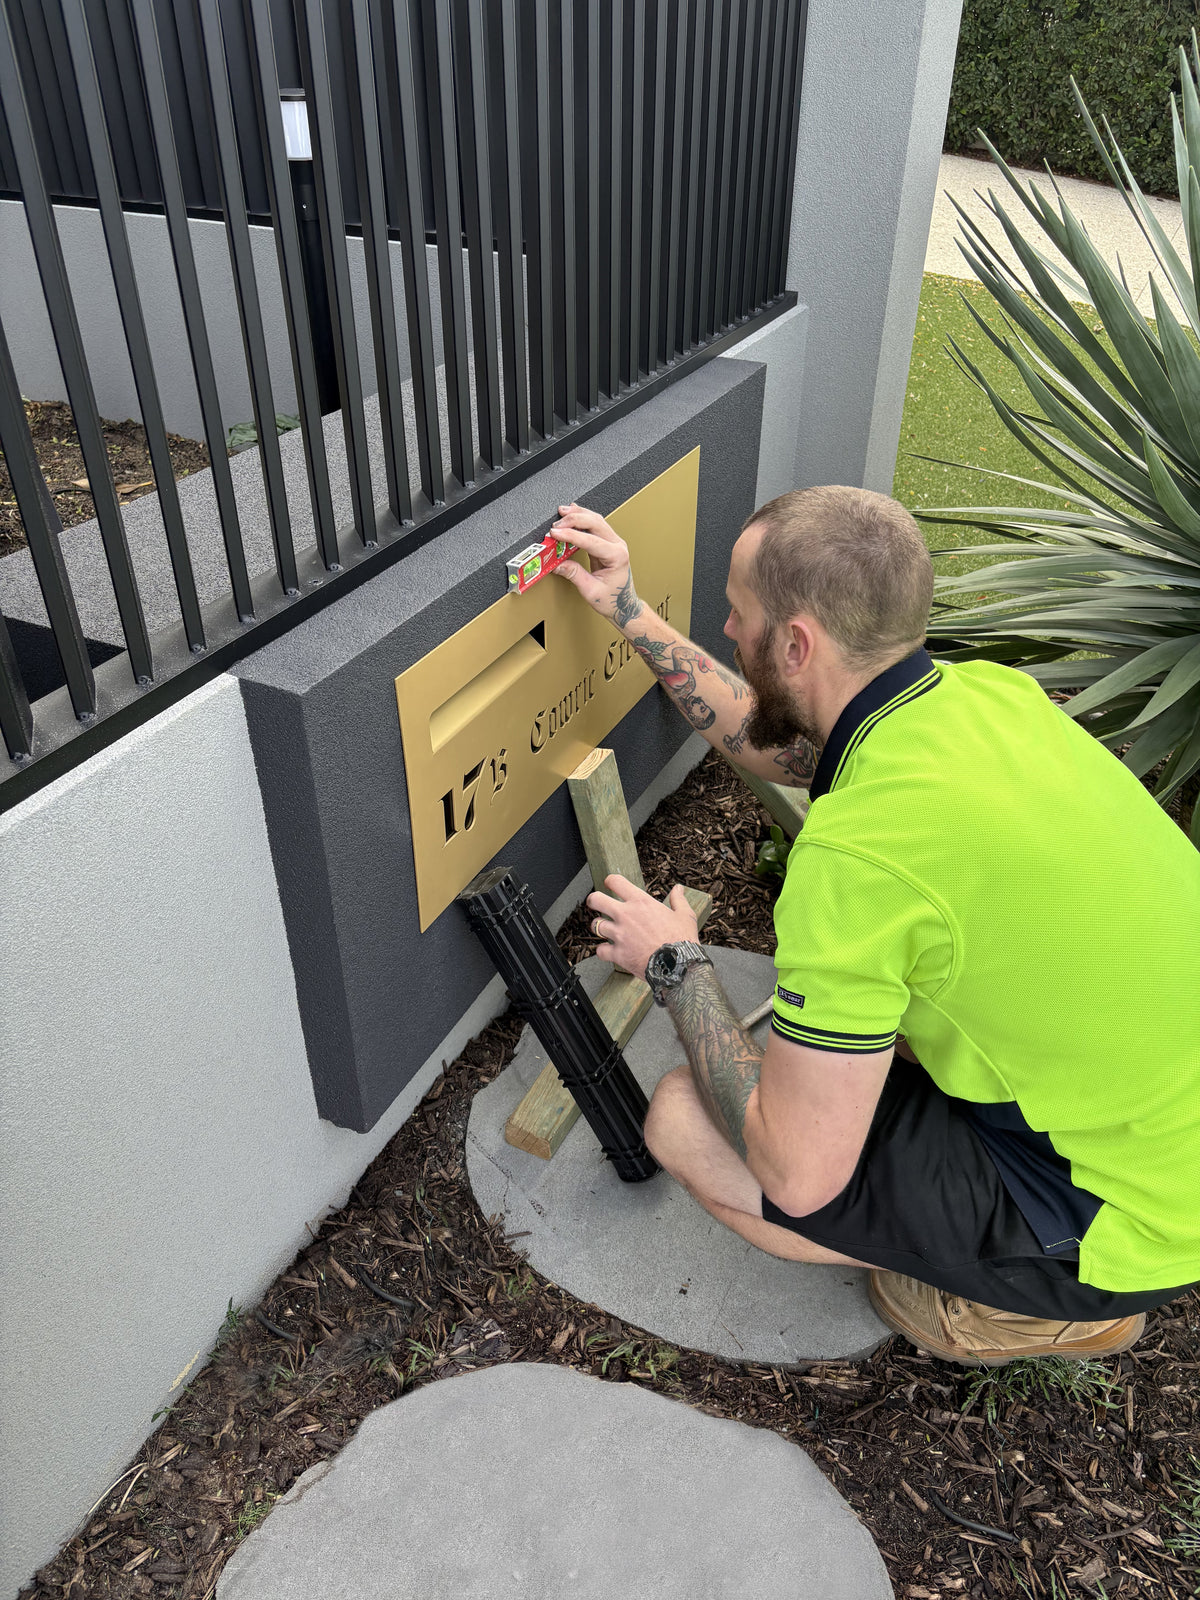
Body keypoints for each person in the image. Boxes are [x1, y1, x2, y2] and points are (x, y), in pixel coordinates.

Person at [550, 485, 1200, 1366]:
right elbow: (779, 739)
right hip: (1154, 1119)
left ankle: (1040, 1308)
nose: (728, 631)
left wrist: (676, 967)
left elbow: (798, 1176)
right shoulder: (979, 701)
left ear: (797, 643)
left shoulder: (859, 860)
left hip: (1126, 1217)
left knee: (682, 1119)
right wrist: (626, 607)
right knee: (863, 1047)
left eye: (738, 616)